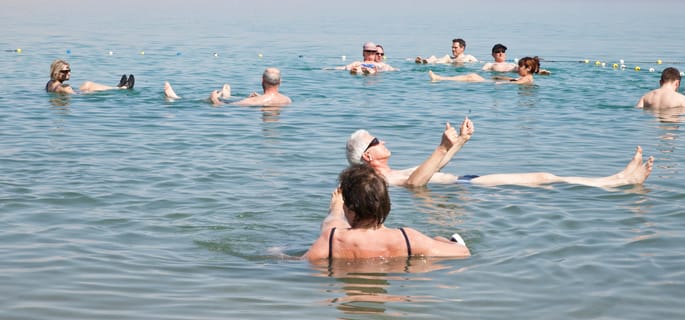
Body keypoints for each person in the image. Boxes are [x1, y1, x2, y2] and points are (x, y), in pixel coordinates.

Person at [346, 117, 653, 188]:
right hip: (468, 185)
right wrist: (441, 146)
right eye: (376, 140)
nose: (383, 140)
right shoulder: (382, 182)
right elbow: (417, 183)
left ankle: (617, 179)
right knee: (544, 177)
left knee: (544, 177)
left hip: (466, 182)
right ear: (367, 157)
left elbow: (433, 168)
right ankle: (617, 181)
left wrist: (462, 140)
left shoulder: (392, 172)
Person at [303, 164, 471, 261]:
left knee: (332, 223)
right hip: (394, 284)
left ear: (349, 209)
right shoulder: (407, 238)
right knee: (436, 240)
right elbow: (464, 253)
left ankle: (335, 208)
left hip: (347, 296)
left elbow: (304, 263)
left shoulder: (333, 239)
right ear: (386, 203)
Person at [169, 67, 291, 107]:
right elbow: (270, 101)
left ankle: (175, 98)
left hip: (245, 104)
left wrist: (214, 100)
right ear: (280, 82)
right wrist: (260, 97)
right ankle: (227, 96)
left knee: (216, 100)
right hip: (260, 100)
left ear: (262, 80)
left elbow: (225, 107)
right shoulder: (287, 100)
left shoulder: (252, 102)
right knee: (230, 99)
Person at [428, 56, 540, 84]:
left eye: (520, 66)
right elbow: (516, 81)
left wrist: (501, 82)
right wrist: (502, 78)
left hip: (490, 83)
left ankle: (440, 78)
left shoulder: (527, 78)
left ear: (528, 68)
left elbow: (516, 83)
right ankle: (440, 78)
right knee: (471, 76)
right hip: (492, 81)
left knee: (471, 76)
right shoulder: (527, 78)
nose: (518, 68)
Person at [45, 59, 134, 94]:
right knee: (89, 85)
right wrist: (90, 93)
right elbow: (76, 97)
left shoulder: (50, 83)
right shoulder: (65, 87)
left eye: (69, 71)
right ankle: (122, 88)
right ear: (56, 72)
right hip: (77, 95)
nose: (69, 73)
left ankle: (118, 87)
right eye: (65, 71)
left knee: (86, 84)